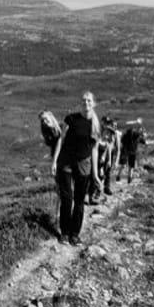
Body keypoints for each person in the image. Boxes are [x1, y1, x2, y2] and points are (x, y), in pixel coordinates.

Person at [51, 91, 102, 245]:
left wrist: (95, 175)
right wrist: (54, 161)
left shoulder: (95, 125)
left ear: (94, 103)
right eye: (83, 100)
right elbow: (60, 139)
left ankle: (75, 234)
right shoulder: (71, 119)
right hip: (66, 162)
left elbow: (94, 150)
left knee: (79, 200)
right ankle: (64, 233)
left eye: (89, 100)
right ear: (81, 103)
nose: (86, 103)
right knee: (67, 198)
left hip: (83, 164)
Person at [117, 118, 146, 184]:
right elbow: (143, 141)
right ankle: (129, 178)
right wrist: (142, 132)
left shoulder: (126, 134)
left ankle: (119, 176)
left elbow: (122, 141)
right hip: (132, 151)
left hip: (126, 151)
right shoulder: (137, 135)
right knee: (131, 166)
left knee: (123, 164)